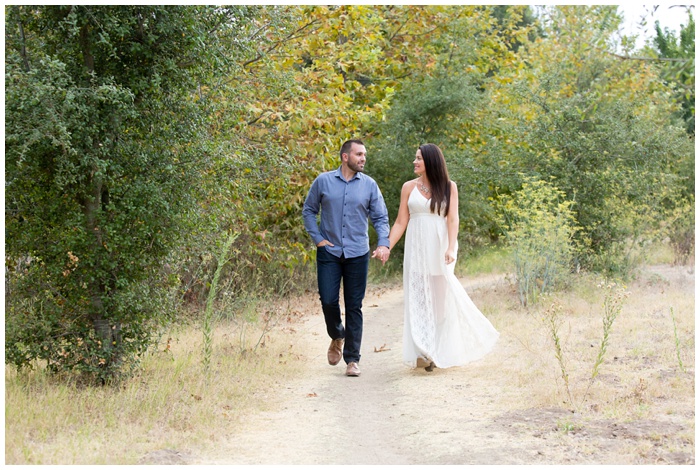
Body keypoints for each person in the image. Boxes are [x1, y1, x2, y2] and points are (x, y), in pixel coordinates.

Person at [386, 143, 499, 371]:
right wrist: (386, 246)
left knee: (439, 303)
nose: (415, 162)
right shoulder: (408, 187)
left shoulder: (449, 187)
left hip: (439, 247)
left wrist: (450, 248)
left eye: (419, 158)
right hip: (416, 248)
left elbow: (453, 219)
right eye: (415, 158)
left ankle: (437, 349)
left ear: (431, 161)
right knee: (418, 301)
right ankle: (423, 351)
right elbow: (400, 221)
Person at [302, 139, 391, 377]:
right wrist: (318, 239)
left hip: (357, 253)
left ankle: (352, 359)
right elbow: (309, 210)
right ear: (345, 157)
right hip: (329, 251)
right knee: (328, 301)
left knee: (354, 306)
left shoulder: (370, 185)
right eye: (359, 154)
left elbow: (381, 218)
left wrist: (384, 243)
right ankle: (337, 335)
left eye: (364, 155)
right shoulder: (323, 181)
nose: (363, 158)